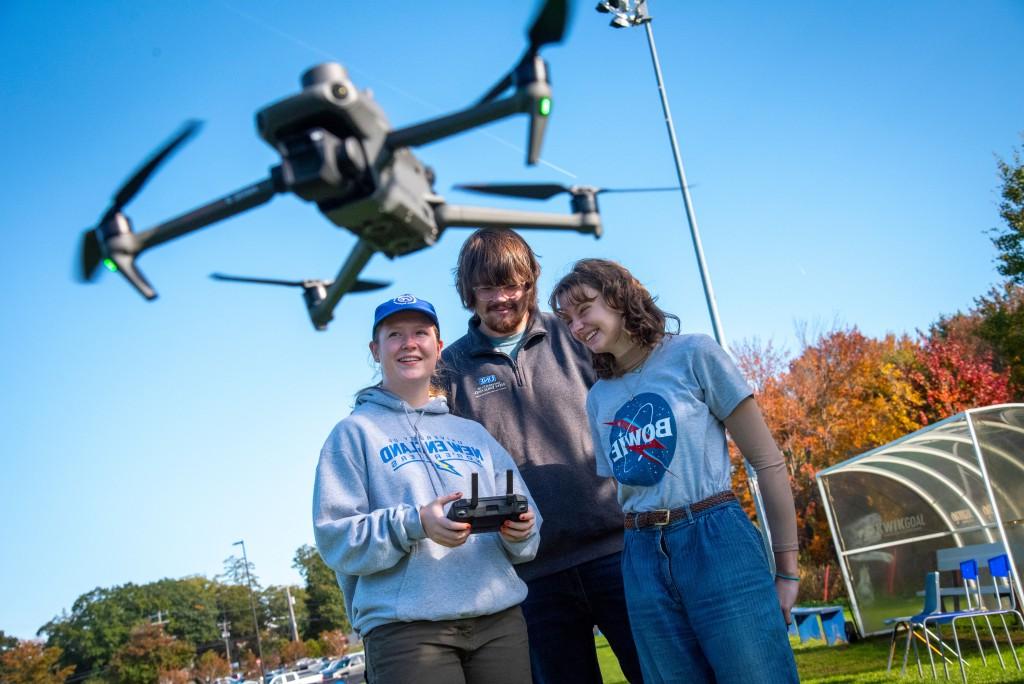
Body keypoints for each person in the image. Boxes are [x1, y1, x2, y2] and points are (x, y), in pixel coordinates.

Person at [550, 258, 801, 684]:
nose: (576, 327)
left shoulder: (694, 353)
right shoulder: (598, 399)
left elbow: (768, 463)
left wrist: (787, 569)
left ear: (618, 296)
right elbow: (629, 488)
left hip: (715, 538)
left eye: (584, 308)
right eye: (567, 319)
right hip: (641, 555)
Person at [441, 229, 644, 684]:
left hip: (618, 550)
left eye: (512, 284)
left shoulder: (576, 335)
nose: (502, 298)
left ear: (530, 281)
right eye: (488, 287)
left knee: (660, 673)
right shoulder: (449, 370)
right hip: (530, 574)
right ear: (468, 291)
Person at [313, 294, 541, 684]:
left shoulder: (474, 434)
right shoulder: (353, 434)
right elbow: (336, 540)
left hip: (498, 621)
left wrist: (520, 532)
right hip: (408, 632)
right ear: (375, 349)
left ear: (438, 347)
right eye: (395, 334)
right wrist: (415, 523)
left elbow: (530, 530)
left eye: (421, 333)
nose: (409, 343)